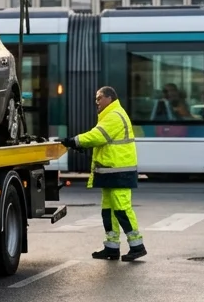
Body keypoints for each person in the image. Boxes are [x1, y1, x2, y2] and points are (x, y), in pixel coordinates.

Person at [62, 86, 146, 262]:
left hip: (119, 172)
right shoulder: (110, 115)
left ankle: (137, 246)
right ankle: (112, 247)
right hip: (111, 171)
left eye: (99, 98)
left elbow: (97, 136)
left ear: (110, 98)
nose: (96, 102)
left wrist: (74, 141)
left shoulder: (114, 115)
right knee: (109, 211)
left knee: (122, 209)